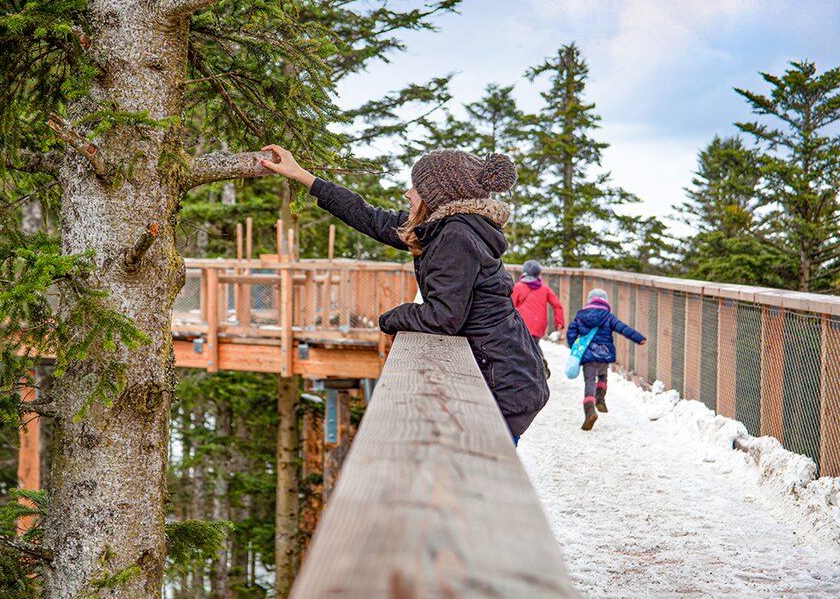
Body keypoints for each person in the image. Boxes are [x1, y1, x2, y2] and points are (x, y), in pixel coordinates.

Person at [260, 144, 549, 442]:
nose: (408, 193)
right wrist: (305, 177)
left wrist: (390, 319)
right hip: (500, 373)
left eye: (416, 187)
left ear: (437, 196)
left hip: (503, 383)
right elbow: (370, 218)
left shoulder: (456, 237)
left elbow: (442, 316)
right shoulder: (439, 228)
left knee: (480, 476)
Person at [566, 288, 646, 431]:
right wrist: (638, 338)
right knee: (602, 376)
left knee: (589, 381)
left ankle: (590, 410)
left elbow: (571, 332)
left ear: (590, 301)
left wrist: (575, 348)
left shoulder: (580, 315)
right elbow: (622, 328)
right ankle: (600, 398)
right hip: (604, 354)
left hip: (588, 355)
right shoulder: (608, 316)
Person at [512, 260, 565, 343]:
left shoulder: (517, 287)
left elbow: (509, 306)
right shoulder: (545, 289)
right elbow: (557, 305)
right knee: (534, 347)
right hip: (538, 326)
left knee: (523, 349)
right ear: (538, 274)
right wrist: (559, 322)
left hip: (521, 325)